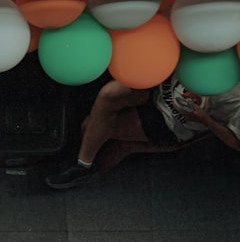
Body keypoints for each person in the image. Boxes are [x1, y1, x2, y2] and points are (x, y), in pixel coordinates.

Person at [45, 76, 240, 189]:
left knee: (90, 126)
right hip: (158, 80)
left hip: (168, 120)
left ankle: (84, 166)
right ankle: (83, 161)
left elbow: (236, 143)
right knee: (108, 94)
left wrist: (206, 120)